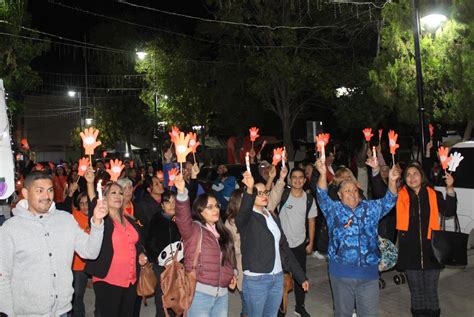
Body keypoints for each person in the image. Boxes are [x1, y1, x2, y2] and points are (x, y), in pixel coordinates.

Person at [0, 171, 106, 317]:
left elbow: (90, 252)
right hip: (26, 312)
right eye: (39, 190)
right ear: (25, 193)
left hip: (63, 310)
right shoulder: (11, 228)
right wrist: (7, 312)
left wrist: (98, 222)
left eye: (50, 190)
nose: (46, 196)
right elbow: (3, 275)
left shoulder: (66, 220)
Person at [314, 158, 399, 317]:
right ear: (339, 195)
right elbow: (321, 195)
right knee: (343, 313)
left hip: (368, 274)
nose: (352, 194)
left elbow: (390, 200)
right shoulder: (334, 210)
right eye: (347, 191)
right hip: (341, 273)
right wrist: (322, 173)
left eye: (354, 190)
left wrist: (392, 181)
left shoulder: (370, 208)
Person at [236, 171, 309, 317]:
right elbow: (243, 213)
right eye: (259, 193)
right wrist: (250, 189)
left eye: (266, 192)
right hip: (257, 279)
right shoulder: (247, 219)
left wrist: (300, 276)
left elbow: (285, 249)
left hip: (277, 278)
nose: (264, 195)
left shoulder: (272, 216)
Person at [396, 162, 457, 317]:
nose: (411, 177)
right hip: (410, 252)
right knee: (416, 292)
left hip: (432, 250)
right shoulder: (399, 196)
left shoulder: (433, 194)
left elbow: (449, 211)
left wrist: (450, 188)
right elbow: (379, 191)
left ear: (421, 176)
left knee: (431, 291)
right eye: (408, 175)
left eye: (415, 173)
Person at [174, 172, 237, 316]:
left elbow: (229, 259)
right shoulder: (194, 230)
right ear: (199, 211)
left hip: (222, 294)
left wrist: (233, 274)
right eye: (210, 207)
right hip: (199, 294)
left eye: (216, 206)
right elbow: (182, 218)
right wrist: (182, 193)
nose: (215, 210)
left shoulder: (224, 232)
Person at [85, 181, 148, 317]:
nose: (118, 196)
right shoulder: (102, 220)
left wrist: (141, 254)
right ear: (104, 197)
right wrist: (90, 183)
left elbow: (136, 243)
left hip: (131, 278)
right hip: (108, 279)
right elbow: (93, 205)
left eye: (120, 193)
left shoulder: (130, 220)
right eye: (113, 193)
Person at [277, 167, 317, 317]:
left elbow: (311, 222)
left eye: (301, 177)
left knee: (301, 276)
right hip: (282, 246)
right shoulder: (284, 195)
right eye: (294, 177)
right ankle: (281, 308)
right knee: (282, 279)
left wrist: (311, 243)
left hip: (300, 244)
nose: (298, 180)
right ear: (290, 179)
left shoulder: (309, 199)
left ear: (305, 180)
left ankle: (300, 306)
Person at [146, 191, 181, 317]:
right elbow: (150, 244)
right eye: (167, 202)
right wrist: (161, 262)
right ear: (162, 205)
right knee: (162, 299)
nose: (171, 205)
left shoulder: (181, 219)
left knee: (178, 296)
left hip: (179, 266)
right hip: (162, 267)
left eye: (174, 201)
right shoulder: (156, 220)